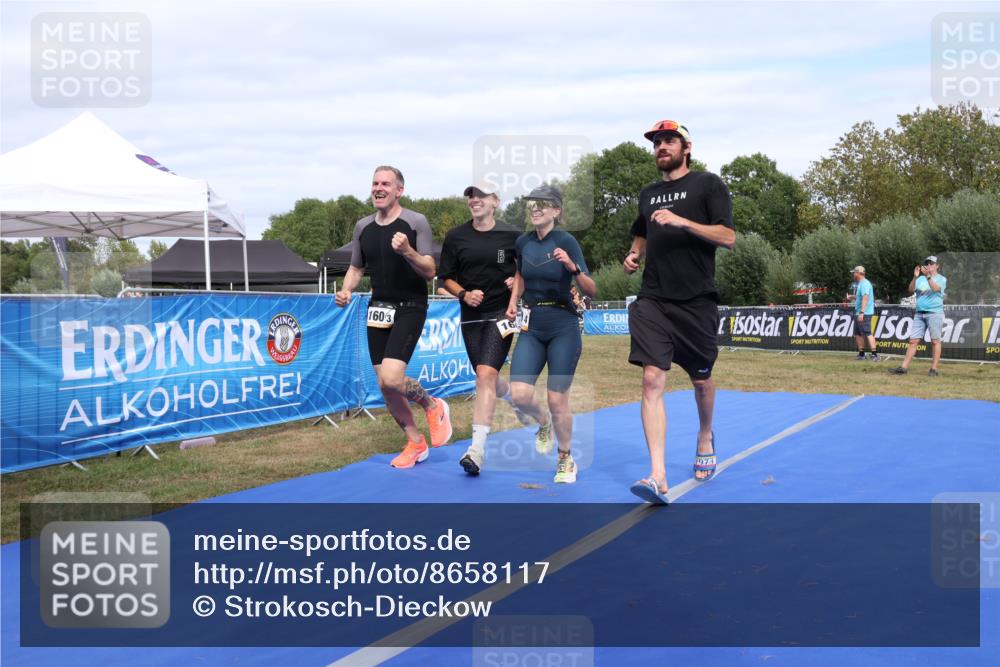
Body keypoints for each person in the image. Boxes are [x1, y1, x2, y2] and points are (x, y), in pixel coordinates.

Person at [624, 120, 735, 505]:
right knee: (653, 379)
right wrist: (636, 252)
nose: (661, 147)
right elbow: (642, 230)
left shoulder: (708, 185)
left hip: (697, 301)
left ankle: (705, 434)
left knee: (701, 381)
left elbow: (729, 237)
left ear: (686, 147)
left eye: (669, 141)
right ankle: (657, 475)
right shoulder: (648, 193)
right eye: (656, 142)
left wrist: (682, 220)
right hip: (654, 299)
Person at [335, 165, 453, 468]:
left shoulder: (416, 221)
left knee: (391, 377)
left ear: (399, 190)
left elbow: (429, 271)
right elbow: (356, 267)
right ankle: (415, 443)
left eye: (385, 184)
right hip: (378, 308)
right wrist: (347, 290)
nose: (378, 188)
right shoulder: (363, 227)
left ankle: (432, 405)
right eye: (375, 183)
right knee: (385, 385)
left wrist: (408, 251)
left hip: (410, 306)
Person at [505, 184, 596, 484]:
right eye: (532, 203)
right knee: (519, 394)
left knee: (558, 400)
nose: (535, 208)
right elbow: (520, 274)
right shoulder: (522, 242)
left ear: (556, 211)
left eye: (542, 204)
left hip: (562, 326)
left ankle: (565, 458)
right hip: (532, 325)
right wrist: (512, 302)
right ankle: (542, 423)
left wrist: (572, 267)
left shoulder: (567, 240)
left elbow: (591, 289)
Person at [438, 181, 522, 475]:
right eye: (471, 196)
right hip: (471, 315)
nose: (475, 200)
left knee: (485, 374)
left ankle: (476, 450)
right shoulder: (456, 236)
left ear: (495, 201)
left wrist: (516, 281)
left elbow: (525, 270)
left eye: (482, 196)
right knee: (488, 379)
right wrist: (463, 293)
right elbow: (444, 278)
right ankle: (515, 398)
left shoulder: (513, 235)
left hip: (501, 313)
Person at [889, 256, 948, 377]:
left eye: (932, 264)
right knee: (913, 341)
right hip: (919, 313)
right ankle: (903, 368)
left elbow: (936, 289)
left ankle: (933, 369)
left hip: (934, 313)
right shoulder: (920, 279)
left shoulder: (941, 279)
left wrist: (928, 276)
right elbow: (911, 290)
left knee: (935, 341)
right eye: (927, 264)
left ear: (937, 266)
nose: (929, 266)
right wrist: (915, 277)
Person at [850, 266, 880, 361]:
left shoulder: (865, 283)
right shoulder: (861, 284)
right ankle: (862, 354)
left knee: (867, 333)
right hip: (859, 312)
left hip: (864, 313)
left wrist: (862, 312)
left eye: (854, 272)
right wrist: (853, 297)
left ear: (859, 273)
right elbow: (861, 297)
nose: (853, 274)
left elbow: (865, 298)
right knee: (858, 334)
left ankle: (875, 355)